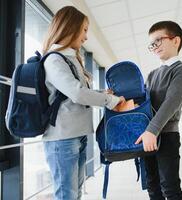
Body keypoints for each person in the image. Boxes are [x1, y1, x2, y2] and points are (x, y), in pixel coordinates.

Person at [42, 6, 125, 200]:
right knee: (67, 196)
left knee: (75, 193)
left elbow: (75, 93)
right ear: (69, 28)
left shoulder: (71, 59)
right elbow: (77, 94)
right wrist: (110, 100)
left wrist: (101, 93)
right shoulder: (54, 60)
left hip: (77, 135)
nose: (86, 37)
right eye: (84, 30)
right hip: (62, 139)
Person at [135, 21, 182, 200]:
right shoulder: (152, 74)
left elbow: (171, 102)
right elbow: (142, 103)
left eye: (159, 40)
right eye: (152, 44)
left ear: (176, 41)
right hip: (148, 137)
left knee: (170, 187)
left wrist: (152, 130)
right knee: (152, 185)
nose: (155, 46)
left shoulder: (181, 70)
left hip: (166, 136)